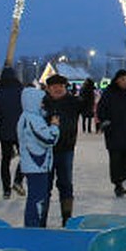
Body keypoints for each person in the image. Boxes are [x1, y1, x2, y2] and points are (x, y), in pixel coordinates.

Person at [16, 85, 59, 227]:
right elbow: (48, 139)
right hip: (37, 166)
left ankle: (34, 225)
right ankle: (33, 227)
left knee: (36, 198)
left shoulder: (27, 116)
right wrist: (54, 127)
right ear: (32, 101)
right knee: (37, 199)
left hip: (35, 164)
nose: (42, 104)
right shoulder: (33, 119)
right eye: (40, 101)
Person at [96, 69, 126, 197]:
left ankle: (124, 176)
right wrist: (106, 123)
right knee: (116, 159)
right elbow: (101, 108)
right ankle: (118, 184)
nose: (125, 81)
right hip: (114, 131)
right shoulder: (109, 93)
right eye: (122, 79)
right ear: (116, 80)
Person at [42, 74, 82, 221]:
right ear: (48, 89)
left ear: (66, 87)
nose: (57, 89)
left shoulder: (73, 102)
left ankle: (67, 217)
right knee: (44, 186)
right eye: (54, 87)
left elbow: (88, 108)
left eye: (61, 86)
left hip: (66, 149)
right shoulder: (42, 103)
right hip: (46, 151)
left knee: (65, 184)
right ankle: (42, 217)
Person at [0, 67, 25, 198]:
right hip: (20, 130)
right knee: (25, 157)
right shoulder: (21, 92)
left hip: (4, 129)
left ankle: (6, 189)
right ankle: (18, 179)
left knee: (5, 160)